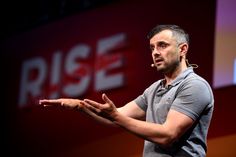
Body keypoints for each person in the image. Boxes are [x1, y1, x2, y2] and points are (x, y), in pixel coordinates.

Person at [39, 24, 214, 157]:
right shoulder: (154, 89)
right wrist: (79, 106)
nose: (155, 52)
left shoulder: (194, 85)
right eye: (152, 47)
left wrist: (115, 116)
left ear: (182, 49)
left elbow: (167, 135)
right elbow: (114, 117)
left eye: (162, 45)